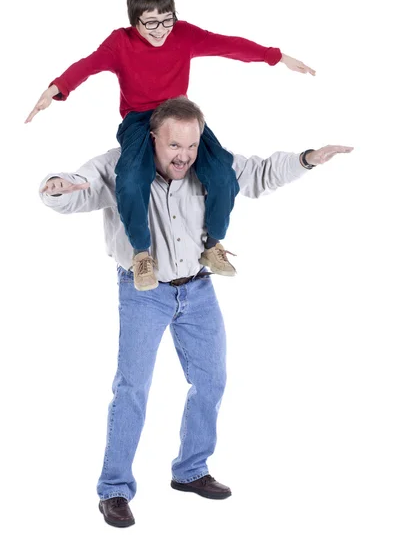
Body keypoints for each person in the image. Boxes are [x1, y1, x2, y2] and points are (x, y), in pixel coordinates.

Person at [39, 97, 353, 528]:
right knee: (132, 389)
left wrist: (307, 159)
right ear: (153, 139)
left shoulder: (208, 165)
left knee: (211, 380)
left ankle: (191, 471)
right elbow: (79, 186)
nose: (183, 156)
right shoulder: (122, 167)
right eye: (173, 147)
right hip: (143, 291)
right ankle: (113, 488)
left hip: (198, 290)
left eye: (190, 146)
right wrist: (56, 187)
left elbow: (260, 172)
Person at [28, 0, 316, 291]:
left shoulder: (183, 34)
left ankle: (213, 246)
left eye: (167, 20)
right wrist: (55, 89)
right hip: (140, 121)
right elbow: (87, 65)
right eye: (151, 23)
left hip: (180, 116)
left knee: (221, 172)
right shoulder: (120, 43)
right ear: (134, 21)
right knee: (131, 177)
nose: (161, 30)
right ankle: (141, 256)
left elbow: (228, 45)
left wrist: (276, 57)